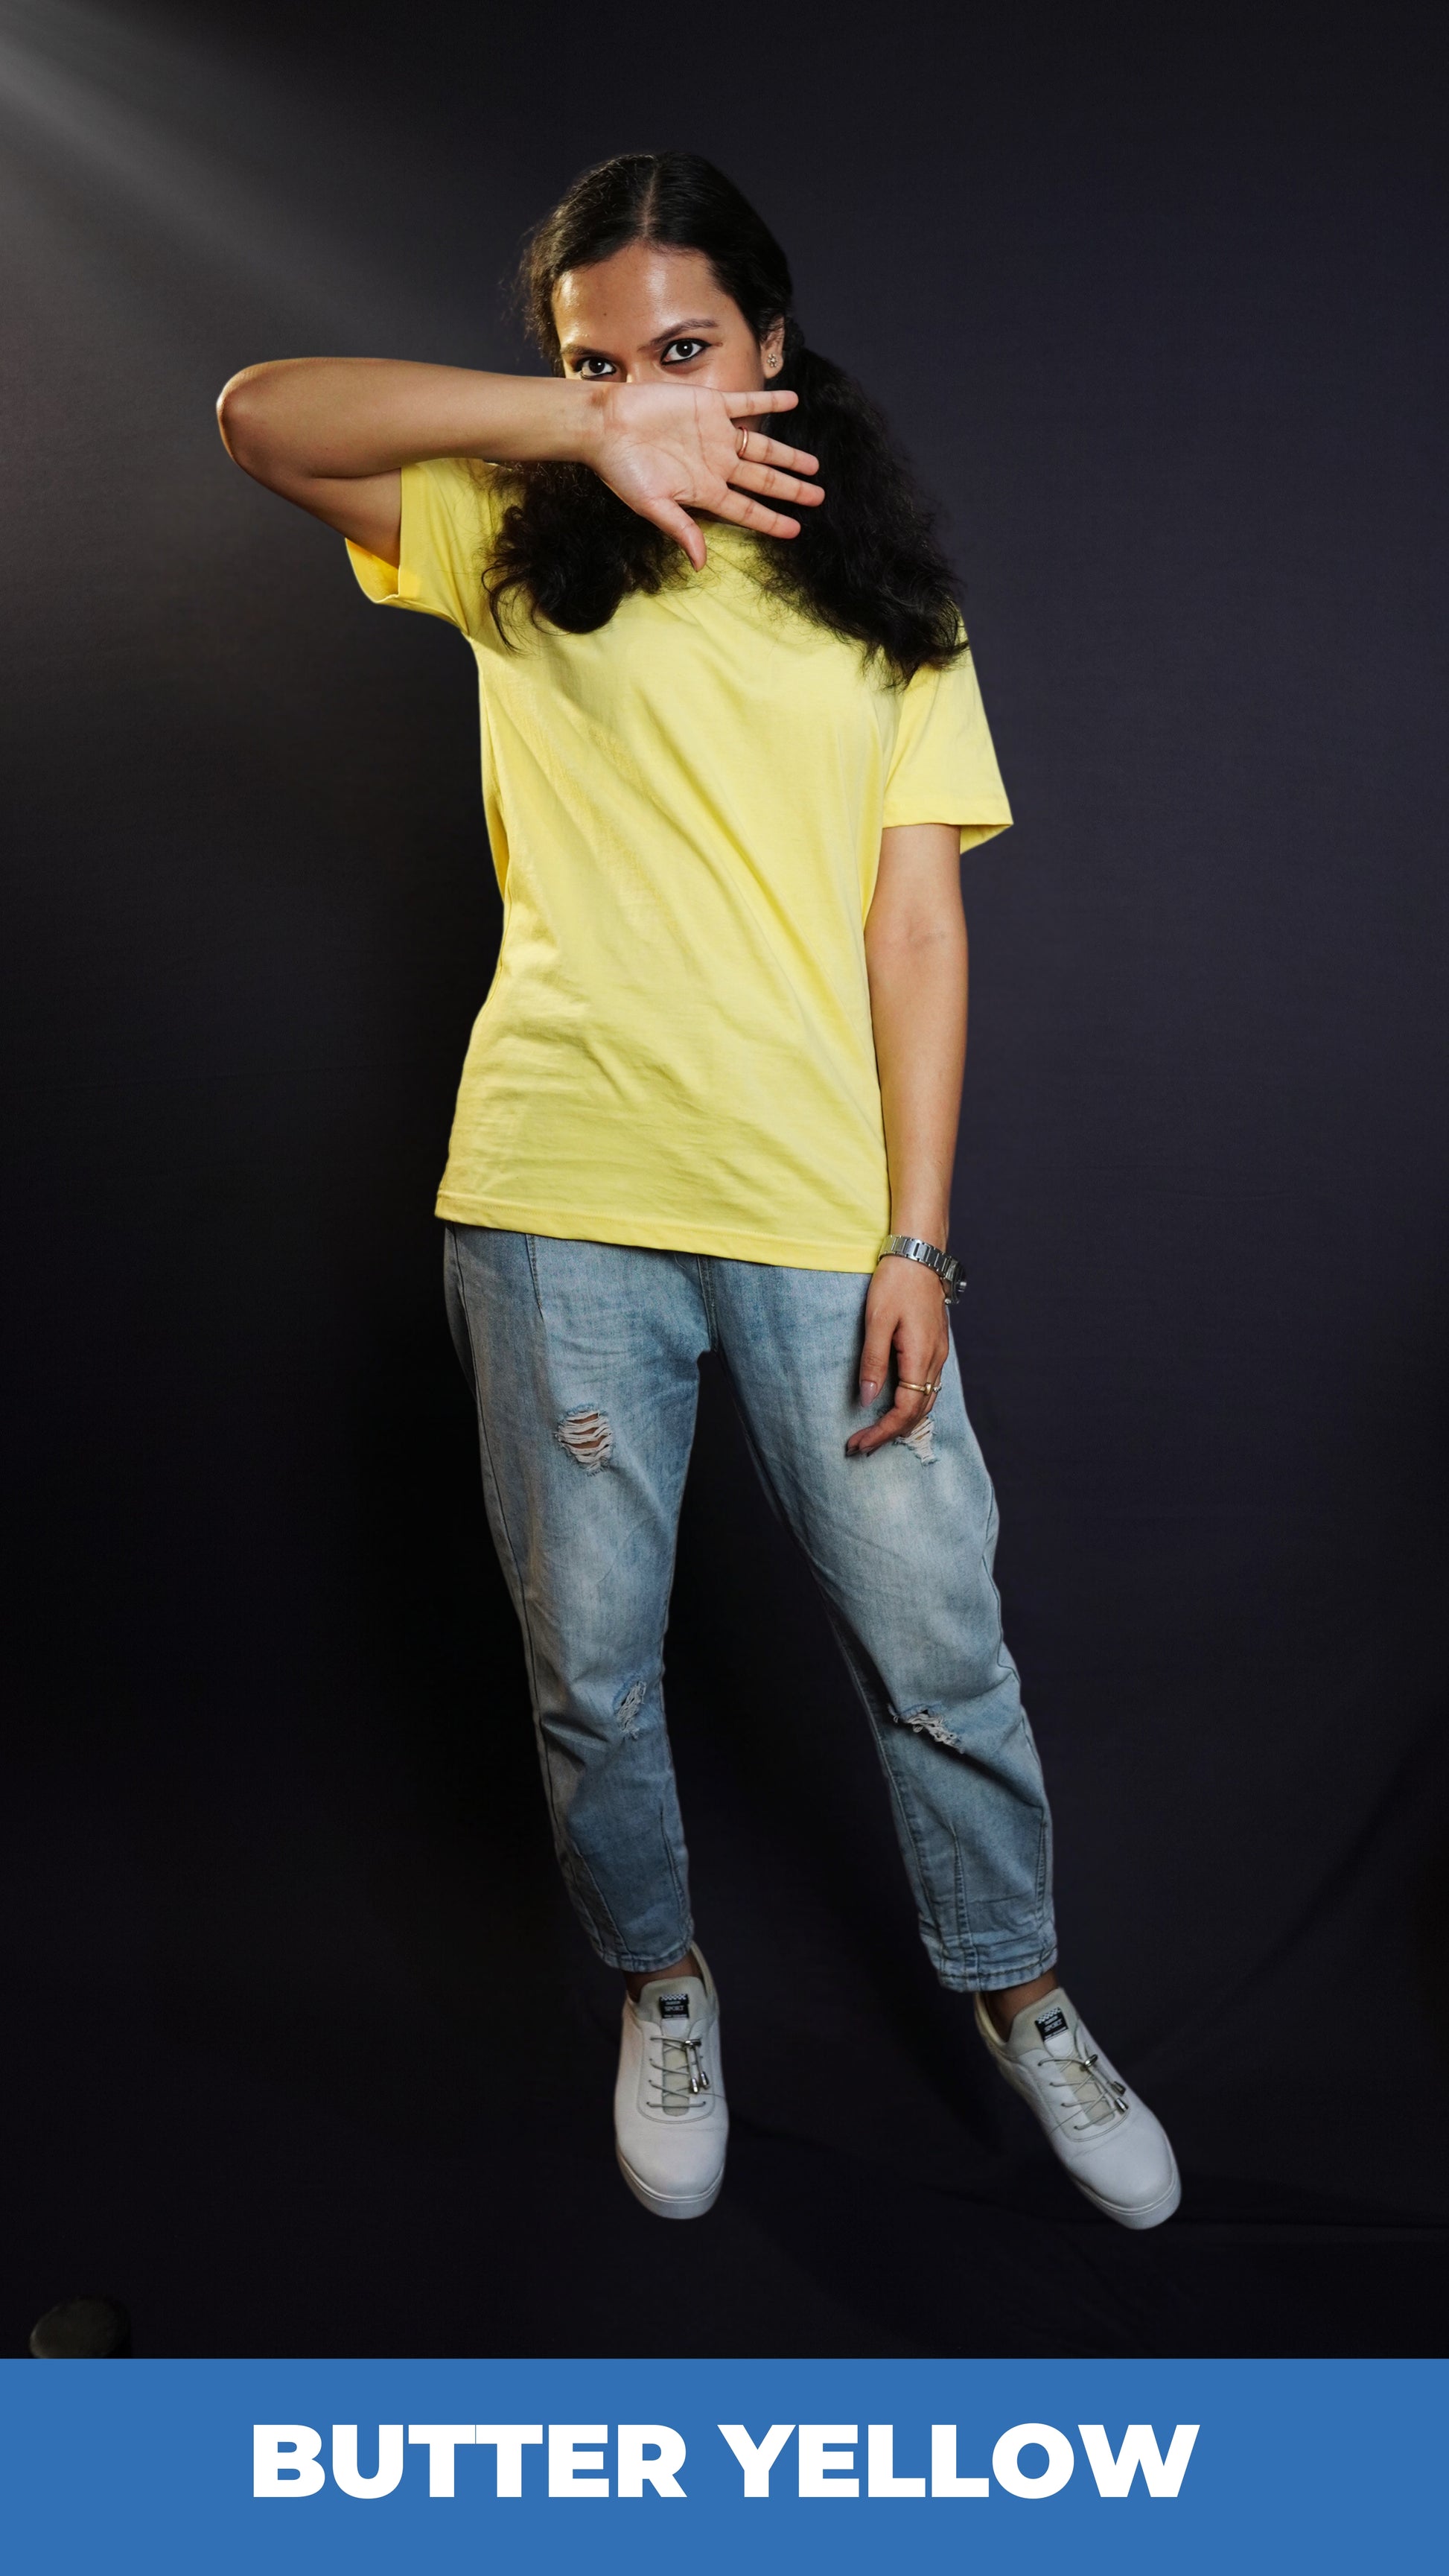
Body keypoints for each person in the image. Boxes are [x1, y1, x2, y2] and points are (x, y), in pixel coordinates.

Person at [217, 150, 1179, 2231]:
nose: (644, 381)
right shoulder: (507, 536)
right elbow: (256, 414)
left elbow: (914, 933)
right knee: (591, 1658)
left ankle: (1019, 1995)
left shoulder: (884, 598)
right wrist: (576, 425)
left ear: (767, 339)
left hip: (821, 1203)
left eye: (680, 346)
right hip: (558, 1181)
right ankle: (663, 1984)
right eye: (593, 353)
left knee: (939, 1645)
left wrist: (916, 1231)